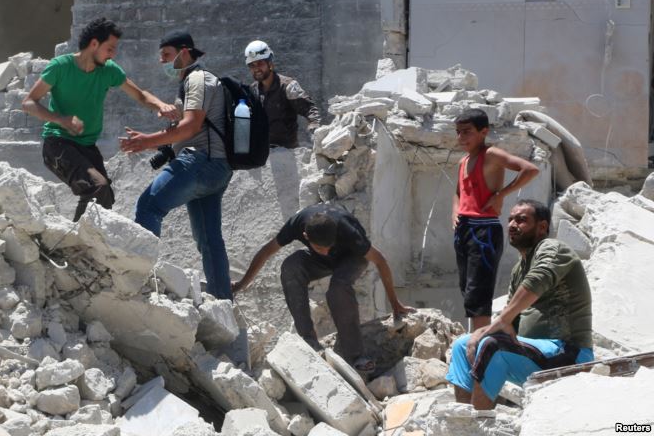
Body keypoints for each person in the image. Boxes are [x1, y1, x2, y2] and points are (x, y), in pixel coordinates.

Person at [23, 18, 176, 222]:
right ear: (94, 44)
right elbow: (28, 102)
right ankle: (74, 247)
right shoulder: (61, 67)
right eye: (110, 49)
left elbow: (140, 95)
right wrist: (61, 119)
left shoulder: (109, 70)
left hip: (87, 147)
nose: (113, 54)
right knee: (97, 187)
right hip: (58, 144)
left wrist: (160, 105)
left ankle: (83, 246)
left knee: (105, 200)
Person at [119, 30, 234, 300]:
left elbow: (191, 125)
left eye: (167, 55)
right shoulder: (196, 81)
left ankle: (141, 285)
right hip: (216, 168)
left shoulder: (197, 79)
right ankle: (223, 300)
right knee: (208, 238)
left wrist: (147, 140)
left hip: (201, 161)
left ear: (184, 52)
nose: (162, 62)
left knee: (149, 205)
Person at [446, 199, 593, 410]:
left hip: (569, 352)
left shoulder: (553, 248)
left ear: (542, 227)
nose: (512, 225)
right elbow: (511, 323)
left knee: (492, 346)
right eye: (510, 219)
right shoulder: (519, 268)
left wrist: (498, 324)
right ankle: (463, 423)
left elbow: (538, 279)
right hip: (534, 354)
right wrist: (490, 331)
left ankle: (479, 424)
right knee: (463, 345)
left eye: (521, 220)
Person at [232, 203, 413, 371]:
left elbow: (380, 261)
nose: (326, 251)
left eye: (329, 246)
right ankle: (310, 342)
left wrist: (395, 303)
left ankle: (357, 356)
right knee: (290, 266)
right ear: (305, 236)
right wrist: (242, 284)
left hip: (351, 258)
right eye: (320, 247)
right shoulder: (296, 223)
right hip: (318, 262)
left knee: (338, 289)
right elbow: (266, 251)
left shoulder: (347, 229)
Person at [453, 108, 540, 331]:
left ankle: (479, 343)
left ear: (483, 132)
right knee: (467, 289)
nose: (461, 137)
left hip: (483, 230)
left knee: (479, 292)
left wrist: (501, 194)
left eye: (467, 132)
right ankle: (475, 338)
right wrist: (456, 214)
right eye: (458, 132)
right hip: (464, 228)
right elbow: (458, 192)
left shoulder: (490, 154)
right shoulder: (464, 160)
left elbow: (529, 169)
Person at [244, 40, 320, 149]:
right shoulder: (253, 91)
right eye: (252, 65)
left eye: (260, 63)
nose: (256, 69)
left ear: (270, 64)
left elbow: (309, 108)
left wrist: (315, 124)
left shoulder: (288, 86)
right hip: (263, 155)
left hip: (287, 154)